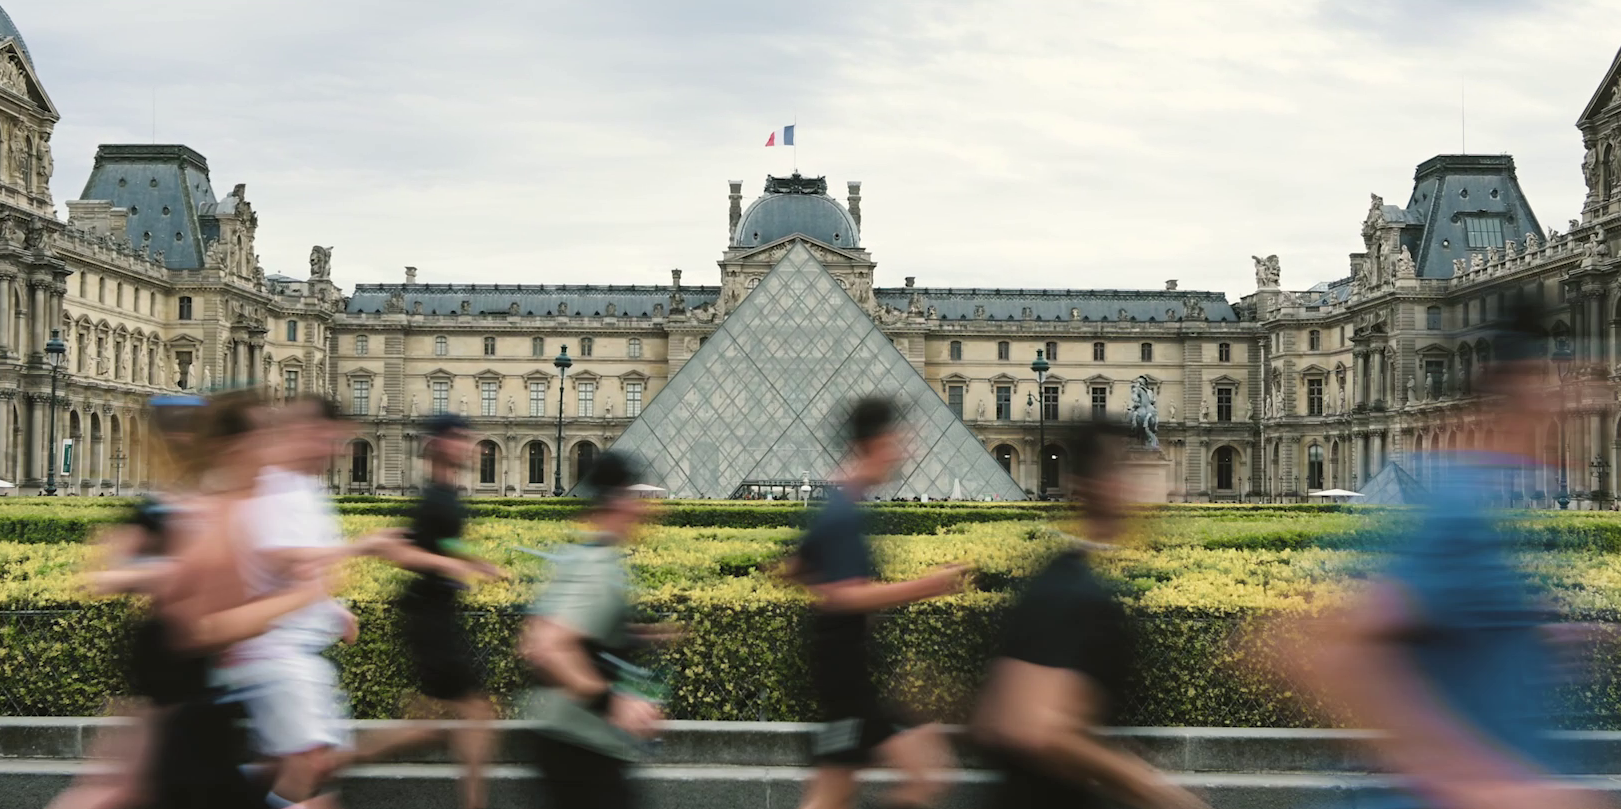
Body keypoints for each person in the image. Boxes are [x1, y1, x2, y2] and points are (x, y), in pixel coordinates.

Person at [1278, 303, 1610, 809]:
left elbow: (1452, 622)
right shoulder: (1460, 506)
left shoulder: (1498, 501)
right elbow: (1343, 650)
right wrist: (1470, 779)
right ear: (1522, 390)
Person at [972, 422, 1209, 809]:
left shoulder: (1059, 575)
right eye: (1125, 470)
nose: (1143, 488)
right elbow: (1035, 725)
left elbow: (999, 715)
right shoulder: (1070, 590)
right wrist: (1159, 793)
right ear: (1093, 485)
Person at [214, 395, 401, 808]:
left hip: (292, 650)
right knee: (310, 763)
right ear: (303, 432)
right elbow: (282, 557)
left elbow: (298, 569)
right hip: (273, 649)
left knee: (289, 764)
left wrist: (330, 609)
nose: (336, 450)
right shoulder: (274, 485)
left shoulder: (304, 485)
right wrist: (363, 547)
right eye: (328, 439)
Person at [790, 397, 965, 809]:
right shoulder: (844, 513)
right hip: (846, 679)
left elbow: (796, 566)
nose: (907, 451)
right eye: (899, 442)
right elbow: (846, 595)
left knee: (840, 791)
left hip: (846, 672)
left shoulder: (837, 504)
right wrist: (928, 585)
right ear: (875, 443)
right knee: (921, 777)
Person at [49, 395, 209, 809]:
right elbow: (104, 575)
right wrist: (173, 572)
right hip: (171, 652)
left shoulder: (195, 500)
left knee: (130, 782)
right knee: (125, 782)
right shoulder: (159, 506)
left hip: (196, 654)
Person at [343, 413, 503, 809]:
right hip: (429, 617)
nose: (469, 445)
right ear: (440, 445)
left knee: (434, 721)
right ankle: (336, 760)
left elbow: (441, 544)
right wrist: (451, 566)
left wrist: (476, 563)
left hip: (436, 614)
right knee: (475, 712)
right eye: (460, 438)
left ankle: (338, 759)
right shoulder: (434, 498)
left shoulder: (446, 494)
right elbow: (399, 549)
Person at [520, 451, 662, 809]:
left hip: (567, 738)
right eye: (635, 497)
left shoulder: (580, 555)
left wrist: (635, 636)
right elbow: (547, 646)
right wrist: (613, 702)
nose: (643, 508)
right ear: (617, 502)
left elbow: (543, 632)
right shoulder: (599, 568)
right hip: (583, 746)